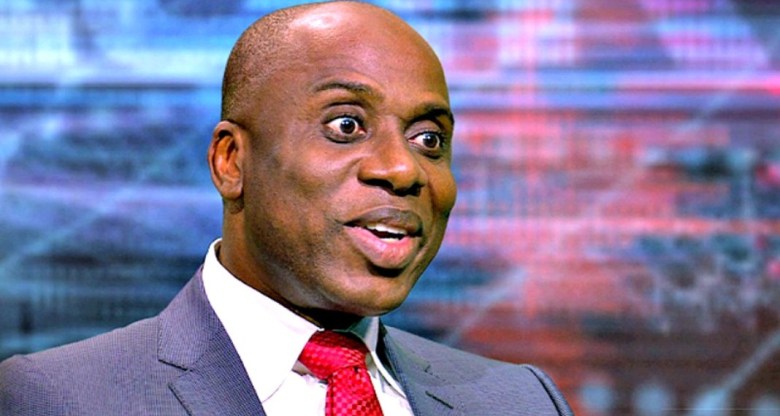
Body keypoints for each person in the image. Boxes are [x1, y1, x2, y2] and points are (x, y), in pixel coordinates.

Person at [0, 1, 573, 415]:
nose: (403, 170)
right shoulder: (57, 399)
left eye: (429, 139)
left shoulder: (523, 401)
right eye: (345, 126)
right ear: (231, 162)